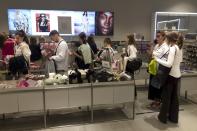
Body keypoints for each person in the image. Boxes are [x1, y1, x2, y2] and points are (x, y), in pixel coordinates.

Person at [155, 32, 183, 124]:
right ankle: (173, 118)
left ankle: (162, 117)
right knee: (175, 98)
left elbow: (169, 64)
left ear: (169, 39)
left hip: (170, 76)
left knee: (166, 97)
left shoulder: (171, 48)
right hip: (177, 75)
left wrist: (157, 60)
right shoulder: (178, 48)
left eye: (166, 38)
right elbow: (179, 61)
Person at [148, 31, 169, 108]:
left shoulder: (165, 47)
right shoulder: (157, 45)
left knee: (158, 86)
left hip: (161, 69)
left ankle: (158, 101)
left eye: (158, 36)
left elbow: (155, 54)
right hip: (154, 68)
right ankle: (155, 100)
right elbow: (151, 54)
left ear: (163, 37)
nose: (157, 38)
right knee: (154, 85)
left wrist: (152, 52)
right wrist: (152, 50)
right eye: (156, 36)